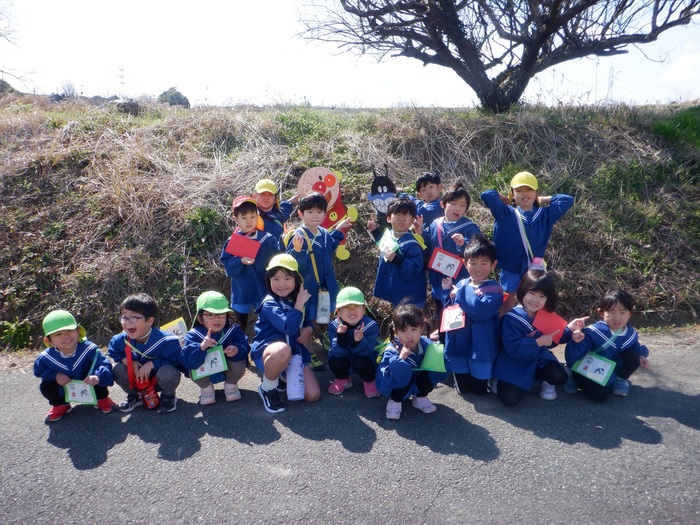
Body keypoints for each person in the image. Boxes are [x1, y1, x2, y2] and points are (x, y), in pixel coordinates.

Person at [481, 171, 574, 314]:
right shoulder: (506, 213)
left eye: (529, 189)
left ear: (536, 192)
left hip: (533, 267)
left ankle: (526, 326)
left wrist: (542, 199)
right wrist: (503, 197)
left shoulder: (545, 215)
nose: (524, 193)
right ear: (512, 193)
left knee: (532, 303)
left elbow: (567, 200)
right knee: (507, 302)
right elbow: (486, 195)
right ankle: (505, 325)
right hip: (511, 266)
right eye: (519, 190)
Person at [492, 270, 587, 407]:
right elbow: (512, 348)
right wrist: (538, 342)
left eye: (542, 296)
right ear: (522, 290)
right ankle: (500, 377)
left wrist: (570, 330)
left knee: (560, 377)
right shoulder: (511, 318)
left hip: (538, 358)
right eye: (532, 293)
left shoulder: (545, 314)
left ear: (548, 299)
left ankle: (544, 381)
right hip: (514, 361)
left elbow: (556, 336)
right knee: (510, 400)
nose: (535, 300)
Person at [286, 192, 352, 370]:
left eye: (319, 212)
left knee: (327, 314)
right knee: (309, 320)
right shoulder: (298, 236)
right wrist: (297, 251)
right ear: (300, 214)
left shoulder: (323, 232)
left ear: (325, 213)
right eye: (310, 212)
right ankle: (309, 352)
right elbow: (294, 266)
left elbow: (330, 245)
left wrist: (339, 230)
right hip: (307, 289)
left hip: (326, 286)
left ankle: (324, 338)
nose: (315, 216)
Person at [250, 254, 321, 413]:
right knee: (283, 350)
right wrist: (299, 303)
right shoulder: (269, 303)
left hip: (295, 354)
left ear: (296, 280)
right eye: (275, 279)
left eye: (287, 278)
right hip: (271, 353)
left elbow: (306, 321)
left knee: (312, 395)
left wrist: (309, 329)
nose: (281, 284)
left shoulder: (298, 299)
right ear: (269, 280)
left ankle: (280, 377)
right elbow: (288, 327)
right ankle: (268, 388)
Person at [442, 235, 503, 397]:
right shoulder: (461, 284)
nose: (478, 268)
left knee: (480, 391)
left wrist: (459, 293)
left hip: (480, 348)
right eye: (473, 263)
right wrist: (447, 292)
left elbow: (479, 310)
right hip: (459, 344)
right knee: (463, 389)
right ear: (465, 263)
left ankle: (493, 378)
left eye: (484, 263)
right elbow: (450, 310)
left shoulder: (495, 290)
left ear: (493, 264)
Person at [564, 288, 650, 401]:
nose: (617, 318)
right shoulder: (592, 332)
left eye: (623, 312)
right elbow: (572, 356)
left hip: (608, 369)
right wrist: (576, 342)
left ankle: (620, 379)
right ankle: (572, 375)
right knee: (600, 396)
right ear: (601, 313)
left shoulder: (630, 333)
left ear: (630, 313)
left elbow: (634, 346)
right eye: (611, 312)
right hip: (589, 366)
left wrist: (641, 355)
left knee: (633, 355)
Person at [34, 310, 117, 423]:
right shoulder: (46, 357)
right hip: (63, 387)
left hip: (89, 384)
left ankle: (101, 399)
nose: (66, 336)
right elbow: (39, 371)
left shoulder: (89, 349)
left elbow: (104, 364)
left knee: (100, 376)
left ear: (78, 331)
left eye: (69, 330)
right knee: (46, 385)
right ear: (49, 340)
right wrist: (55, 375)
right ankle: (60, 404)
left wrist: (97, 376)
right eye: (58, 334)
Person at [108, 293, 183, 414]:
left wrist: (152, 364)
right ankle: (135, 396)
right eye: (124, 317)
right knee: (118, 369)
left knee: (169, 372)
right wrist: (128, 361)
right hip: (137, 379)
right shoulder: (120, 340)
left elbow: (176, 361)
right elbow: (113, 352)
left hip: (159, 379)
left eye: (133, 317)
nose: (127, 322)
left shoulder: (167, 340)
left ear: (149, 321)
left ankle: (168, 396)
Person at [427, 182, 482, 339]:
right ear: (443, 204)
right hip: (438, 280)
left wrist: (464, 243)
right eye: (453, 203)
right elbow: (427, 247)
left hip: (460, 282)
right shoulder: (435, 225)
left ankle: (457, 343)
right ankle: (444, 342)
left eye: (463, 205)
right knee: (441, 313)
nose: (458, 208)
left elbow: (480, 250)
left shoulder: (470, 228)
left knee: (459, 318)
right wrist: (419, 233)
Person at [220, 195, 281, 333]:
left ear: (258, 217)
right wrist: (240, 261)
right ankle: (239, 345)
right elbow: (228, 266)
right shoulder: (233, 241)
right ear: (236, 219)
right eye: (244, 217)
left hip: (263, 290)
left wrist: (286, 240)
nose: (249, 221)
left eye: (252, 217)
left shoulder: (267, 239)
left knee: (266, 322)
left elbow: (279, 257)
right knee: (239, 325)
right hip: (242, 292)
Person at [376, 302, 446, 420]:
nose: (409, 336)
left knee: (430, 373)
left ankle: (420, 397)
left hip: (416, 380)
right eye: (403, 330)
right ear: (396, 331)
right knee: (402, 374)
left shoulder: (427, 345)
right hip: (396, 383)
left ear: (421, 328)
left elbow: (439, 370)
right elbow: (387, 377)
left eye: (413, 329)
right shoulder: (392, 349)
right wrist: (400, 360)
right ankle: (395, 400)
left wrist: (441, 359)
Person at [180, 291, 250, 405]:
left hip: (227, 370)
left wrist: (236, 348)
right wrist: (201, 347)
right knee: (193, 365)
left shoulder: (233, 330)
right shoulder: (193, 335)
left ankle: (231, 385)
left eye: (221, 314)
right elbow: (187, 361)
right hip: (205, 373)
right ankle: (206, 388)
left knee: (238, 363)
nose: (217, 319)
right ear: (200, 318)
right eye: (210, 315)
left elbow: (244, 345)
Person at [369, 196, 428, 308]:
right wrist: (375, 231)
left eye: (406, 215)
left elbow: (414, 269)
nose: (402, 219)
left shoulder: (413, 244)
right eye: (398, 215)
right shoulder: (389, 234)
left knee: (411, 319)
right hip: (396, 292)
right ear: (388, 218)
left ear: (412, 220)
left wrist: (397, 259)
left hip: (411, 297)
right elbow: (383, 246)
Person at [326, 287, 381, 397]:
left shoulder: (371, 326)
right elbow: (335, 352)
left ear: (363, 309)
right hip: (345, 358)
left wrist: (359, 341)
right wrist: (341, 338)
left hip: (364, 358)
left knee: (362, 363)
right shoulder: (334, 326)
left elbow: (369, 352)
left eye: (356, 306)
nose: (352, 311)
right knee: (334, 360)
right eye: (346, 307)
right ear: (338, 312)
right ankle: (343, 378)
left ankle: (369, 380)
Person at [253, 178, 298, 243]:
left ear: (275, 200)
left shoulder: (279, 214)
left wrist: (291, 201)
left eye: (270, 195)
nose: (266, 198)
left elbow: (285, 209)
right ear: (254, 197)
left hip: (279, 248)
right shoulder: (251, 215)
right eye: (262, 194)